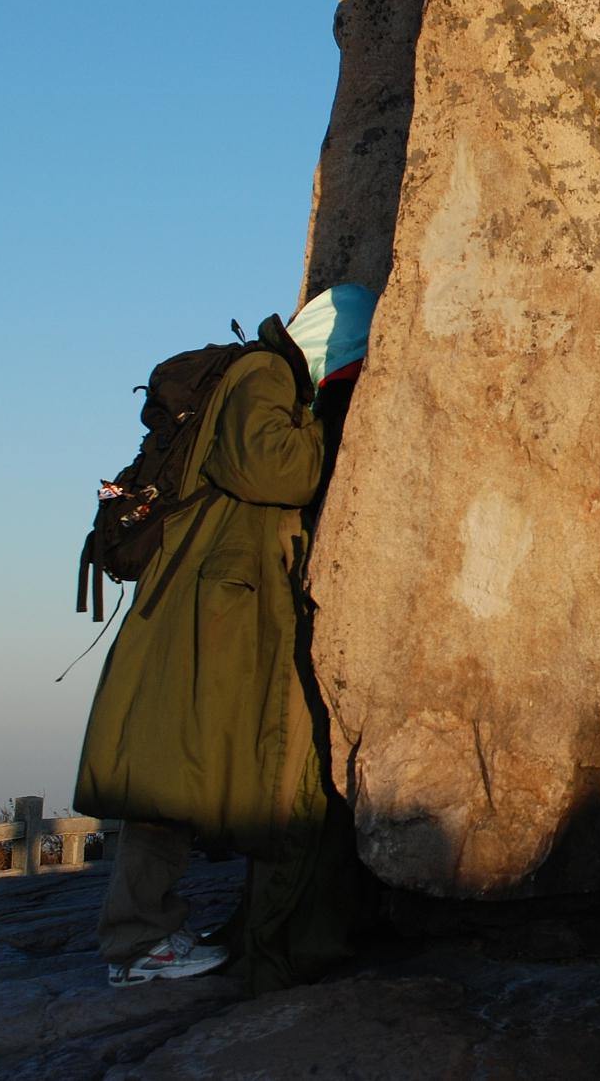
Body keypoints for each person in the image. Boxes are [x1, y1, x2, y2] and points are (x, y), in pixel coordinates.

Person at [74, 284, 375, 990]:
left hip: (215, 607)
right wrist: (334, 426)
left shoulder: (267, 378)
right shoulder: (264, 373)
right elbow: (273, 467)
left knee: (185, 771)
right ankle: (138, 941)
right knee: (168, 774)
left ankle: (149, 934)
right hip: (199, 609)